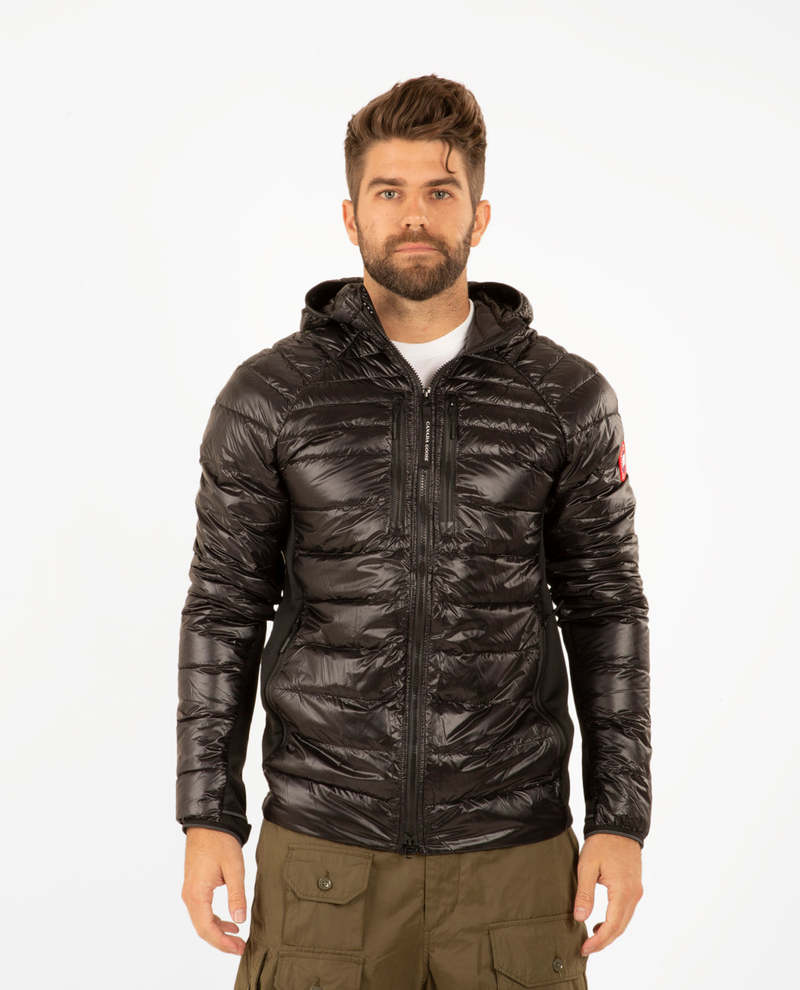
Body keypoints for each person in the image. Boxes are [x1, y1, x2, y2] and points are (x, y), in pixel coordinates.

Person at [177, 74, 651, 989]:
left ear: (480, 214)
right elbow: (223, 608)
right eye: (388, 192)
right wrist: (208, 817)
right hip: (325, 856)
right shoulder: (270, 396)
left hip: (514, 859)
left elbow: (607, 610)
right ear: (351, 216)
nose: (415, 216)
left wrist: (620, 820)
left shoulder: (567, 397)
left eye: (440, 192)